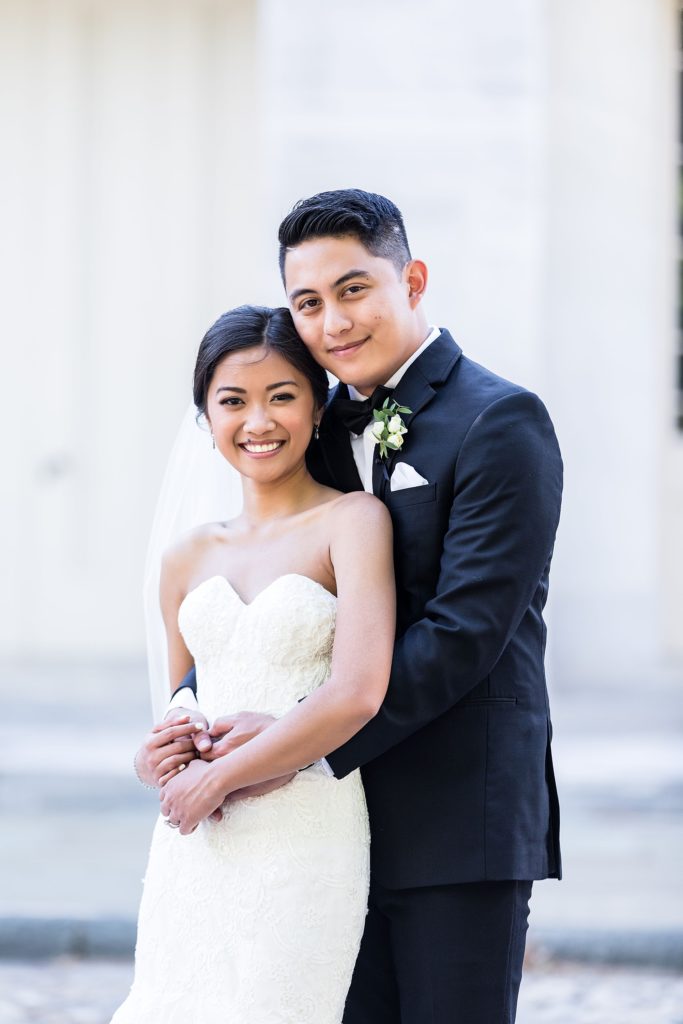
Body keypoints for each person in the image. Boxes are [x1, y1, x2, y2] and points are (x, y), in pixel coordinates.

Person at [167, 189, 564, 1024]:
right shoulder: (309, 421)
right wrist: (192, 722)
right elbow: (270, 582)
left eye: (354, 290)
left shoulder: (499, 420)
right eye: (308, 303)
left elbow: (465, 634)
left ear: (411, 280)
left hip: (456, 813)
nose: (333, 322)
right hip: (321, 831)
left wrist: (287, 740)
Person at [111, 304, 395, 1023]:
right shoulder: (184, 557)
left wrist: (222, 777)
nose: (258, 421)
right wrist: (157, 760)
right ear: (206, 417)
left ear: (316, 405)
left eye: (282, 396)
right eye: (233, 401)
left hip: (303, 829)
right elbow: (181, 702)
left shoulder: (353, 522)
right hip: (196, 844)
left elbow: (358, 690)